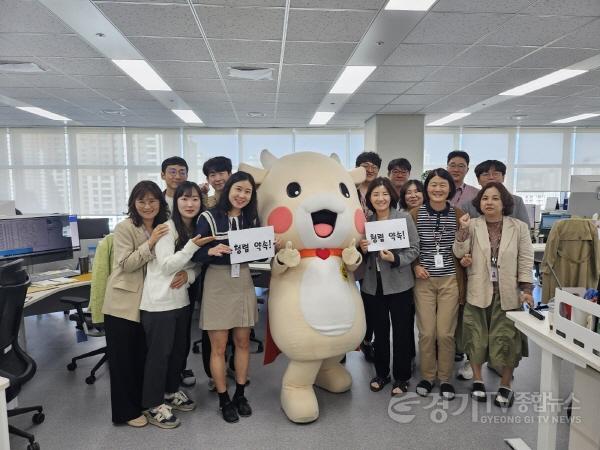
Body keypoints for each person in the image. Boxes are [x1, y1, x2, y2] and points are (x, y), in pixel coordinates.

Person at [139, 182, 214, 428]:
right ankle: (152, 404)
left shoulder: (195, 228)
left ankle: (171, 391)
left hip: (180, 300)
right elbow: (167, 265)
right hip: (159, 304)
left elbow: (196, 265)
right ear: (176, 201)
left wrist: (190, 276)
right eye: (184, 199)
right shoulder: (166, 229)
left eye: (194, 199)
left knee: (178, 352)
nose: (190, 204)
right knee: (159, 356)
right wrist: (193, 246)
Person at [453, 182, 534, 407]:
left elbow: (526, 260)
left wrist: (527, 289)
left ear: (504, 202)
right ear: (479, 202)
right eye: (485, 198)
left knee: (508, 341)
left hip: (508, 294)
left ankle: (506, 385)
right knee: (475, 338)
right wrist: (461, 232)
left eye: (495, 198)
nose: (489, 202)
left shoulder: (518, 227)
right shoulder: (472, 224)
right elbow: (459, 252)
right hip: (478, 291)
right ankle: (478, 381)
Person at [193, 171, 260, 423]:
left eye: (247, 191)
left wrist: (270, 245)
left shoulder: (251, 219)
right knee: (219, 347)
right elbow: (195, 254)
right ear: (228, 189)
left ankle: (240, 394)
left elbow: (256, 253)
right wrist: (211, 250)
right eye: (238, 189)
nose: (242, 195)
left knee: (243, 343)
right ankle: (223, 399)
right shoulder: (208, 217)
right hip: (217, 282)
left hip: (242, 279)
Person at [102, 180, 170, 427]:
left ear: (160, 202)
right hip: (122, 303)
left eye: (152, 200)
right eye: (141, 201)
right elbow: (127, 264)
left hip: (150, 303)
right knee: (122, 362)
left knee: (141, 357)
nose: (147, 205)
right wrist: (150, 242)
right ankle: (125, 413)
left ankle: (142, 403)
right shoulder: (125, 228)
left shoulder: (164, 226)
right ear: (134, 203)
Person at [409, 168, 466, 400]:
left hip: (450, 279)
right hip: (424, 280)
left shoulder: (458, 213)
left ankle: (445, 379)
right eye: (433, 184)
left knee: (445, 334)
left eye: (443, 184)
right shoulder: (414, 214)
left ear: (450, 189)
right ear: (427, 188)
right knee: (426, 332)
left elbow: (463, 246)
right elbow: (407, 245)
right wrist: (415, 265)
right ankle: (427, 376)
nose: (438, 189)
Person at [359, 178, 419, 395]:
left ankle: (402, 377)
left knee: (402, 332)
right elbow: (359, 253)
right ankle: (381, 374)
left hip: (399, 284)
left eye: (384, 194)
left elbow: (414, 249)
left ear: (391, 196)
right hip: (373, 286)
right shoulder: (367, 221)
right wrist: (362, 248)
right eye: (376, 195)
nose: (380, 198)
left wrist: (395, 258)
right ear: (370, 199)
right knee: (380, 333)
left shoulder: (402, 218)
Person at [198, 155, 234, 391]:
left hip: (237, 271)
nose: (218, 178)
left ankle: (229, 367)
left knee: (236, 325)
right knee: (213, 326)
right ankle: (213, 374)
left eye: (221, 173)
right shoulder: (206, 204)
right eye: (212, 174)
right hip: (209, 270)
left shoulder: (241, 200)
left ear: (230, 174)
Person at [354, 151, 382, 362]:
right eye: (365, 165)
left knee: (370, 300)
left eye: (374, 166)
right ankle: (340, 347)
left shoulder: (382, 192)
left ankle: (366, 340)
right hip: (349, 251)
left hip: (373, 256)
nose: (370, 169)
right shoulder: (348, 190)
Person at [461, 160, 530, 225]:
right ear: (478, 180)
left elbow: (526, 229)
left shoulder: (517, 201)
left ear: (503, 177)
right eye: (486, 174)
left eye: (495, 174)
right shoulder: (468, 206)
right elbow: (465, 232)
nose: (491, 177)